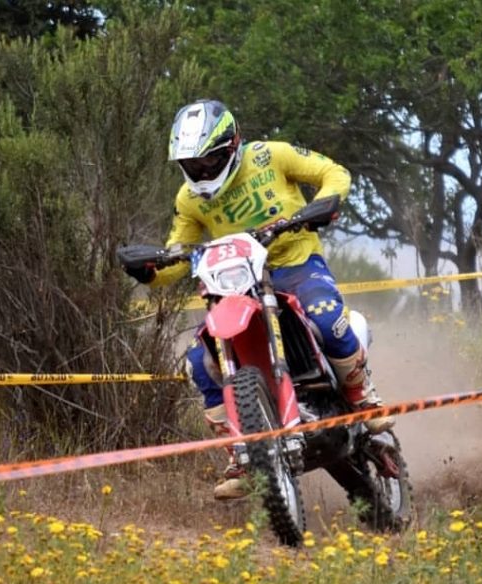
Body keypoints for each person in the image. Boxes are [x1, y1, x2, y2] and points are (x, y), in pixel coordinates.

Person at [123, 99, 393, 500]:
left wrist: (325, 203)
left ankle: (361, 396)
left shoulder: (272, 155)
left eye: (209, 160)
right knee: (200, 361)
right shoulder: (189, 199)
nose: (202, 171)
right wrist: (149, 269)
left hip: (295, 264)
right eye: (193, 165)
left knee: (324, 319)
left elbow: (332, 172)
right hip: (234, 285)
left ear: (231, 146)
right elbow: (177, 252)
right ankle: (242, 454)